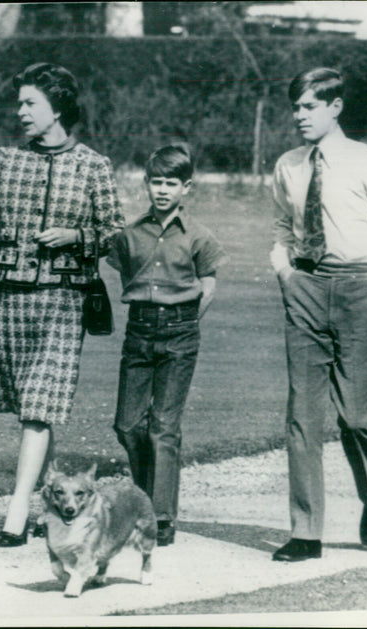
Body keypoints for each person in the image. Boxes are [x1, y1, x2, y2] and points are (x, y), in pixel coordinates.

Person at [0, 62, 125, 546]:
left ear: (58, 107)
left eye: (30, 103)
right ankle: (52, 502)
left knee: (39, 407)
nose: (20, 112)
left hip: (65, 299)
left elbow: (116, 234)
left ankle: (16, 512)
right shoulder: (7, 160)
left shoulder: (93, 166)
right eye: (19, 103)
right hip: (13, 298)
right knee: (34, 410)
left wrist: (76, 236)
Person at [269, 68, 367, 561]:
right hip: (306, 287)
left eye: (309, 106)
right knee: (302, 415)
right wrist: (286, 274)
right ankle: (305, 532)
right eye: (296, 107)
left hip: (360, 289)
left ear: (336, 107)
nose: (299, 116)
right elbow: (282, 228)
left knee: (357, 415)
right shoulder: (288, 165)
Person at [106, 144, 224, 546]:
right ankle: (145, 497)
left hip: (179, 334)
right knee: (127, 424)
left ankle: (160, 516)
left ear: (186, 187)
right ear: (146, 184)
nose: (162, 189)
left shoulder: (199, 237)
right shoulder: (129, 235)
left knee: (163, 426)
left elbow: (208, 285)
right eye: (156, 181)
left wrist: (184, 321)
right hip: (138, 332)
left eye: (170, 182)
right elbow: (122, 271)